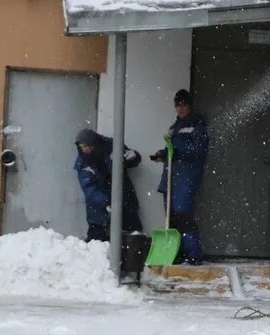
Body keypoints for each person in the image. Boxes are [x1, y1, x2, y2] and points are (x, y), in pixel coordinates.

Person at [150, 89, 209, 264]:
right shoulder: (174, 127)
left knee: (183, 214)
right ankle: (176, 253)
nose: (180, 109)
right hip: (170, 178)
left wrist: (177, 151)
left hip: (186, 177)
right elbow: (172, 151)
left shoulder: (197, 125)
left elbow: (198, 150)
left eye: (183, 105)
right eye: (177, 105)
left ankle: (193, 253)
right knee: (171, 217)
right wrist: (163, 153)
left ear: (189, 105)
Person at [74, 127, 142, 242]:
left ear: (93, 144)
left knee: (131, 235)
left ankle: (130, 257)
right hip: (99, 206)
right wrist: (106, 203)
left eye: (85, 146)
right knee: (97, 239)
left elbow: (132, 159)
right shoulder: (83, 162)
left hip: (123, 196)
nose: (83, 150)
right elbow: (89, 188)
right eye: (81, 147)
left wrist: (132, 157)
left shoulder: (111, 146)